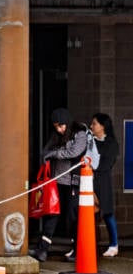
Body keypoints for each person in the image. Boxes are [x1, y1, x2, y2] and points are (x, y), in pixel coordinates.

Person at [32, 108, 88, 262]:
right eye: (56, 126)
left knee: (72, 217)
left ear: (68, 123)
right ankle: (42, 249)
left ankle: (78, 249)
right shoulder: (56, 136)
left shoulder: (80, 134)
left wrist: (55, 153)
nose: (59, 129)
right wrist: (53, 153)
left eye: (61, 126)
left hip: (72, 183)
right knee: (52, 214)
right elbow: (45, 151)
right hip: (56, 181)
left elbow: (74, 152)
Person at [91, 113, 120, 257]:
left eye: (94, 124)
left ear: (102, 126)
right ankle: (87, 244)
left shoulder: (112, 143)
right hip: (89, 180)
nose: (92, 126)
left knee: (108, 213)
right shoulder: (91, 141)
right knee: (89, 213)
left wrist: (93, 165)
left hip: (104, 181)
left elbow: (105, 163)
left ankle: (114, 244)